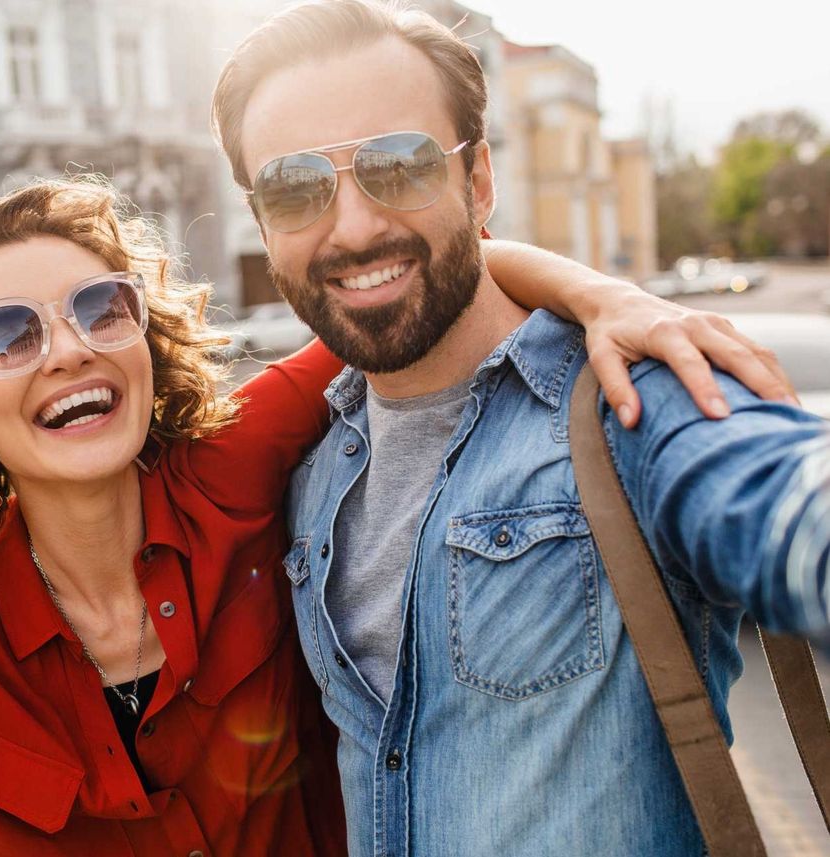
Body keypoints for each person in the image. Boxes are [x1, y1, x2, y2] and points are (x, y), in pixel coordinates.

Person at [0, 176, 793, 855]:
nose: (68, 346)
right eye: (10, 335)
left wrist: (613, 298)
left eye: (95, 309)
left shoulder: (234, 459)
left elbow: (423, 290)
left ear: (142, 343)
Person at [210, 1, 830, 855]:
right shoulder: (310, 469)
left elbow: (781, 500)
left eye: (401, 165)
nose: (352, 227)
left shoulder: (628, 401)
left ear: (480, 182)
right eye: (294, 187)